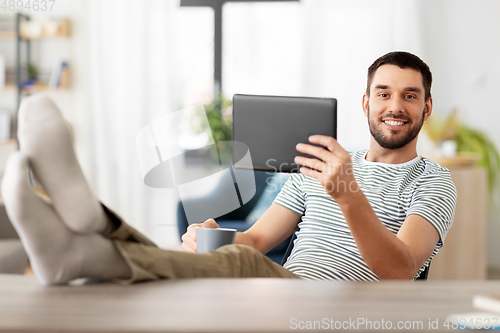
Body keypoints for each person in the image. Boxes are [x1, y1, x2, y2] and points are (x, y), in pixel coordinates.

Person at [1, 51, 456, 286]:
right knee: (217, 255)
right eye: (384, 93)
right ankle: (91, 230)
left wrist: (348, 196)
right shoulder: (324, 164)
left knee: (236, 264)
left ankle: (89, 237)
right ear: (366, 102)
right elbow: (257, 241)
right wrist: (216, 236)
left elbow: (400, 272)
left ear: (426, 106)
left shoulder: (433, 181)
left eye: (410, 95)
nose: (395, 106)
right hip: (285, 290)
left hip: (352, 308)